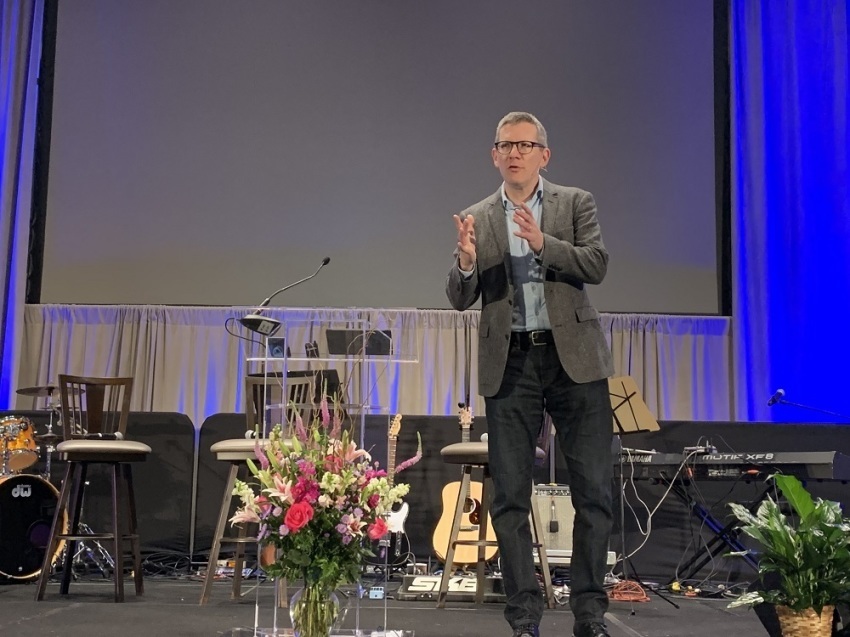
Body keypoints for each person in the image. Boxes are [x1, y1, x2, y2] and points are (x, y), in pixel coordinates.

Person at [446, 112, 614, 637]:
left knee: (592, 493)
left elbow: (597, 265)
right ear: (494, 156)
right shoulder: (477, 216)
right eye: (505, 145)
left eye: (525, 144)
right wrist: (467, 262)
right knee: (510, 498)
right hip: (511, 364)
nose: (515, 152)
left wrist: (544, 243)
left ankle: (589, 614)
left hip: (575, 362)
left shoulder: (575, 202)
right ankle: (523, 616)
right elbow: (458, 298)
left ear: (545, 154)